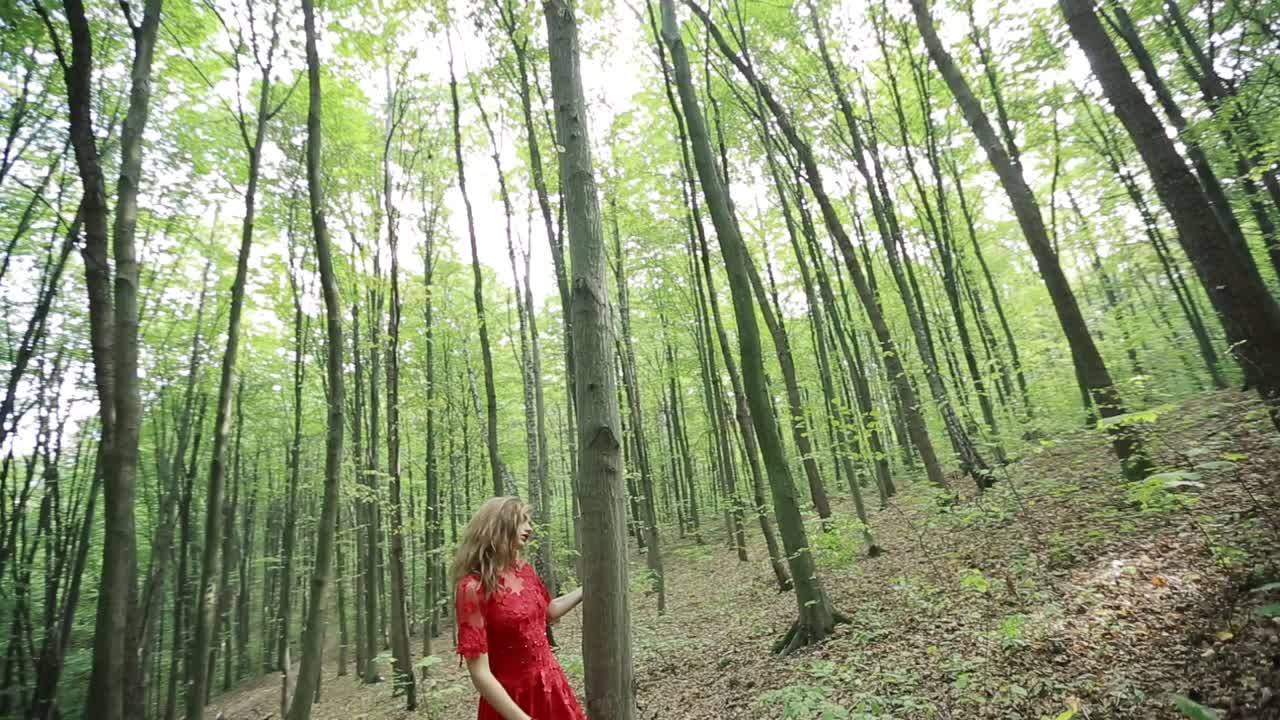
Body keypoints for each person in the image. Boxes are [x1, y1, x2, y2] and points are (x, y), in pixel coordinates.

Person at [453, 496, 586, 720]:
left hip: (551, 690)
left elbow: (549, 611)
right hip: (510, 702)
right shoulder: (473, 588)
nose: (529, 528)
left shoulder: (523, 571)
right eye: (522, 521)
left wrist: (587, 589)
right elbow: (479, 672)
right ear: (498, 526)